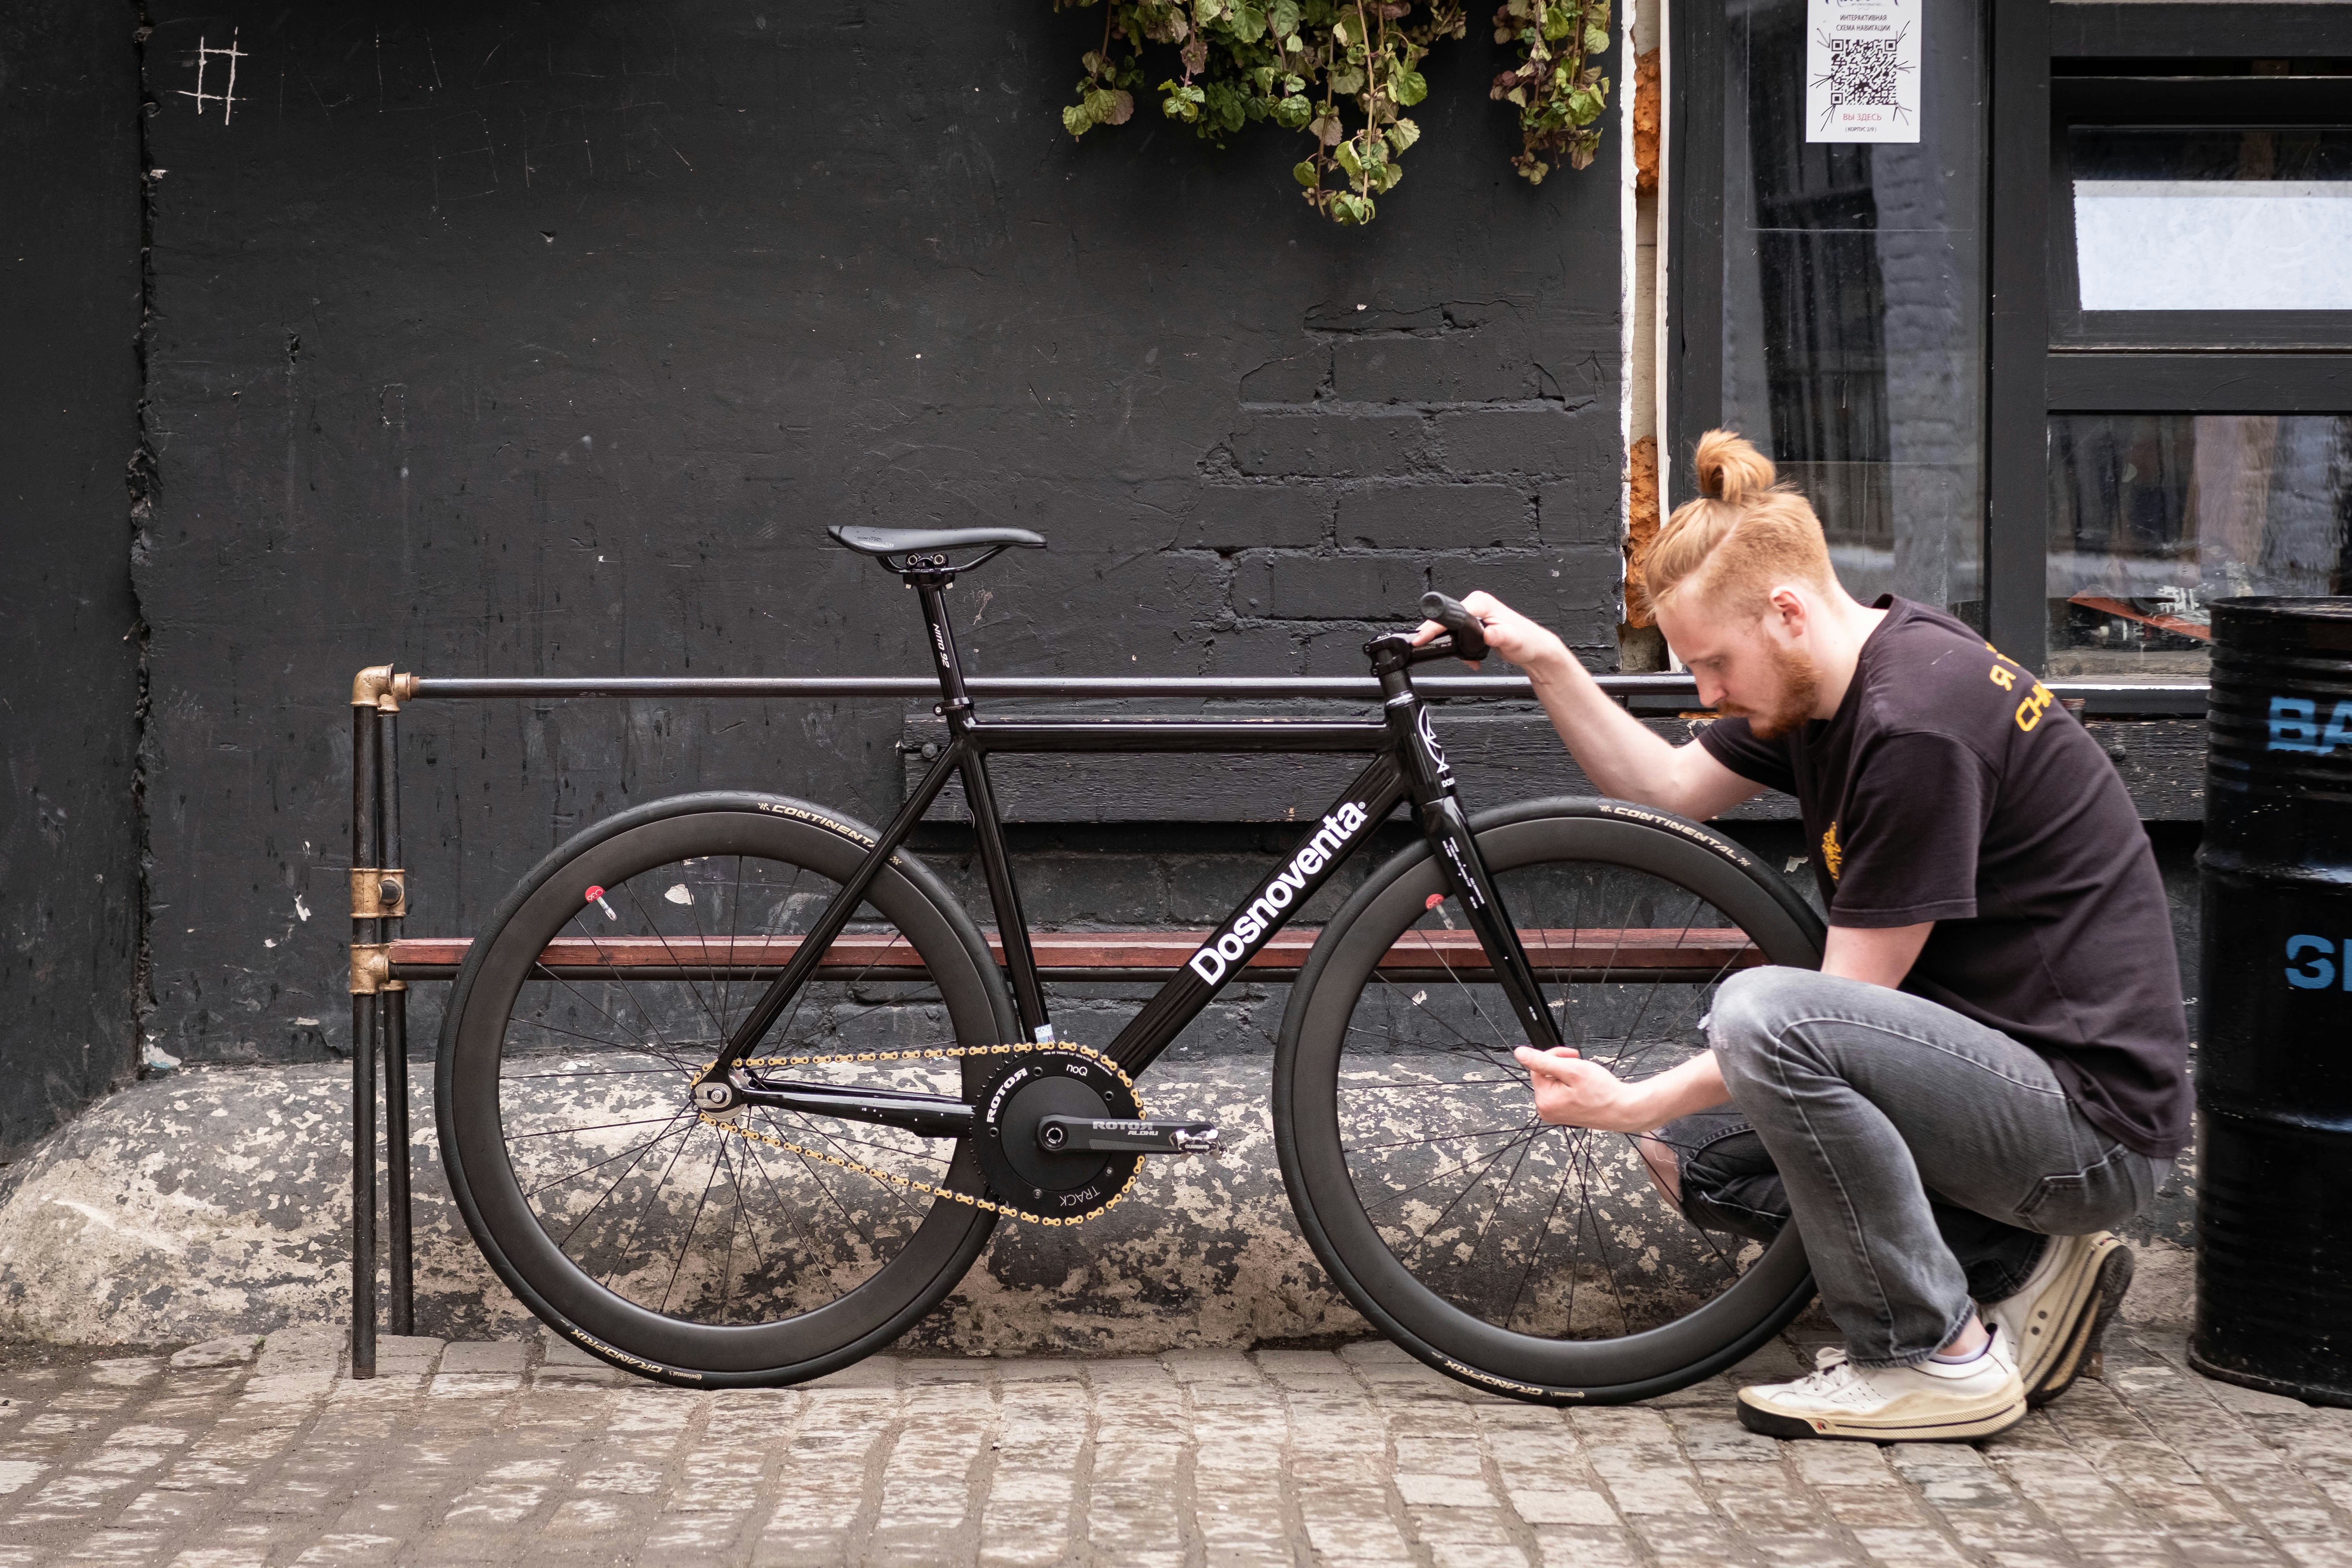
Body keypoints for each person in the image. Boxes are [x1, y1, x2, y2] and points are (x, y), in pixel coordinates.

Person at [1418, 430, 2189, 1442]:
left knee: (1761, 1016)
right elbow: (1668, 786)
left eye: (1714, 664)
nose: (1705, 695)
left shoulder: (1914, 727)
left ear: (1786, 613)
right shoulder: (1826, 685)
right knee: (1693, 1153)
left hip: (2091, 1128)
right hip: (2003, 1086)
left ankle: (1932, 1354)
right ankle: (2019, 1264)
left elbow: (1831, 1014)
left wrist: (1624, 1097)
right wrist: (1544, 657)